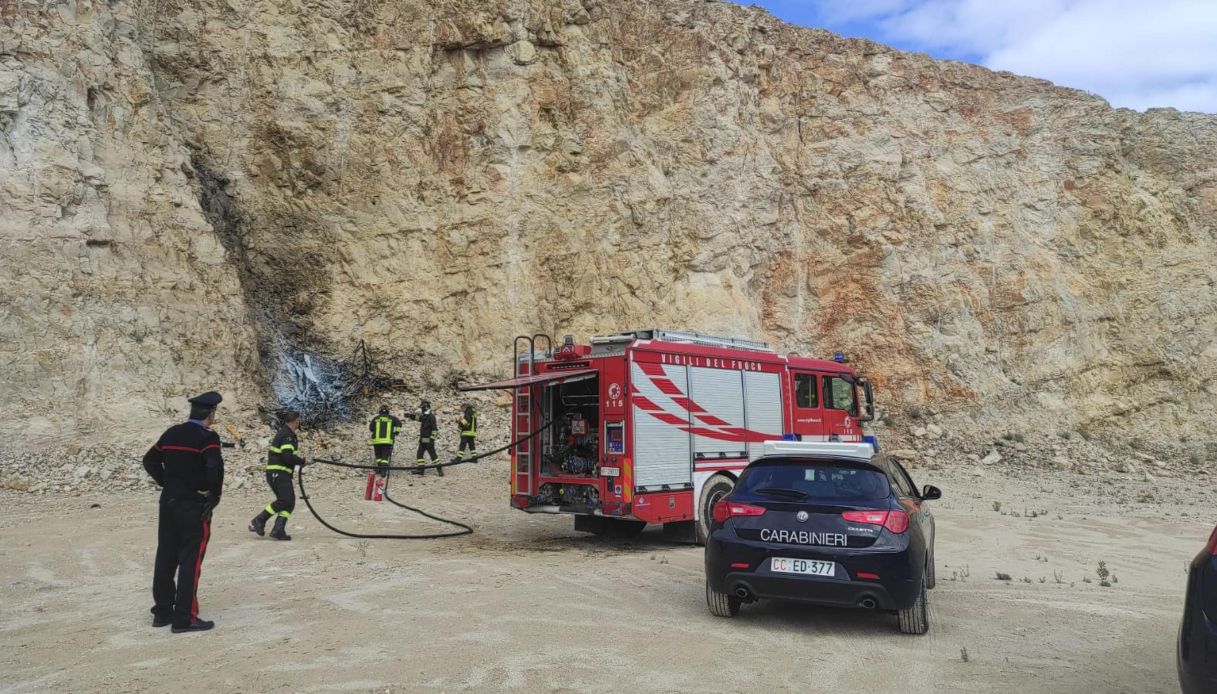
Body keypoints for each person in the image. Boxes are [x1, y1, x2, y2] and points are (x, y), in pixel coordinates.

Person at [142, 390, 225, 633]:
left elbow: (150, 461)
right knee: (191, 560)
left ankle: (163, 612)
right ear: (211, 414)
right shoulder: (207, 438)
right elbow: (214, 467)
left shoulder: (171, 433)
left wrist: (167, 482)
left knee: (166, 556)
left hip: (168, 503)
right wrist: (214, 495)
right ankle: (185, 618)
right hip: (193, 505)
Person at [249, 410, 307, 541]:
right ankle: (259, 520)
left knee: (289, 502)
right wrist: (303, 461)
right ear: (296, 420)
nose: (299, 423)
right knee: (284, 500)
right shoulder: (287, 435)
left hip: (279, 473)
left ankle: (278, 529)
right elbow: (287, 456)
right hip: (278, 473)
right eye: (299, 420)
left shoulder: (286, 433)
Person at [409, 399, 442, 477]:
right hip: (423, 440)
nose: (421, 409)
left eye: (422, 408)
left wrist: (432, 439)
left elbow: (435, 429)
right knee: (419, 455)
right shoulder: (425, 416)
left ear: (425, 407)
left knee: (433, 456)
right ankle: (421, 470)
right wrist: (411, 416)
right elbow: (419, 419)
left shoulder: (431, 417)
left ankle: (439, 470)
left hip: (428, 440)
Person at [368, 405, 402, 477]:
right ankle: (383, 471)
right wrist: (396, 432)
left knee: (378, 455)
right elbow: (399, 424)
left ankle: (380, 468)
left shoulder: (376, 418)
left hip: (377, 441)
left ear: (380, 411)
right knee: (385, 456)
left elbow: (371, 428)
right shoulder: (392, 418)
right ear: (388, 411)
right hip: (387, 441)